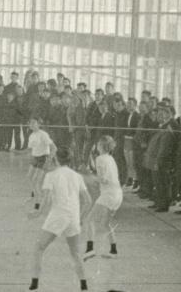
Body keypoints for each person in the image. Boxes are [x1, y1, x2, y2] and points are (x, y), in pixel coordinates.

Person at [27, 147, 91, 292]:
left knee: (39, 248)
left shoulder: (51, 175)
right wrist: (80, 218)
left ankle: (34, 284)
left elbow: (47, 198)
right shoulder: (77, 176)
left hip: (58, 215)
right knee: (75, 253)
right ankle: (84, 286)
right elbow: (88, 201)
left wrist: (37, 212)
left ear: (56, 159)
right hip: (73, 217)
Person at [84, 136, 123, 261]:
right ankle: (114, 251)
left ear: (101, 146)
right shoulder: (111, 158)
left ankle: (90, 250)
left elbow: (103, 180)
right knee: (105, 224)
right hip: (117, 194)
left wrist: (88, 175)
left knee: (88, 220)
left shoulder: (99, 158)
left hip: (109, 194)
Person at [27, 116, 57, 210]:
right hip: (35, 158)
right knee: (29, 177)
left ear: (39, 124)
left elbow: (54, 148)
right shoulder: (31, 135)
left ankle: (38, 204)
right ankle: (33, 196)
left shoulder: (43, 134)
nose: (31, 124)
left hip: (43, 158)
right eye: (30, 123)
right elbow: (30, 149)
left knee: (36, 181)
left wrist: (48, 160)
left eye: (34, 122)